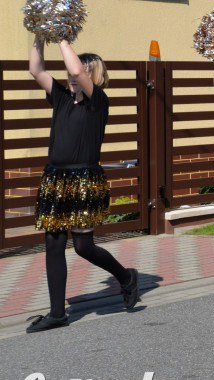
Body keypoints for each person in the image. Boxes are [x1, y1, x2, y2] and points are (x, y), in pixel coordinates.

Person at [26, 37, 140, 332]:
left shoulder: (98, 102)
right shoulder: (61, 97)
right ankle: (57, 314)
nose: (72, 75)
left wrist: (63, 37)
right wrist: (40, 36)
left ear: (94, 76)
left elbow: (77, 72)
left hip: (84, 180)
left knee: (83, 247)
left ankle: (126, 277)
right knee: (53, 243)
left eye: (82, 72)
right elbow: (36, 70)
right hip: (55, 178)